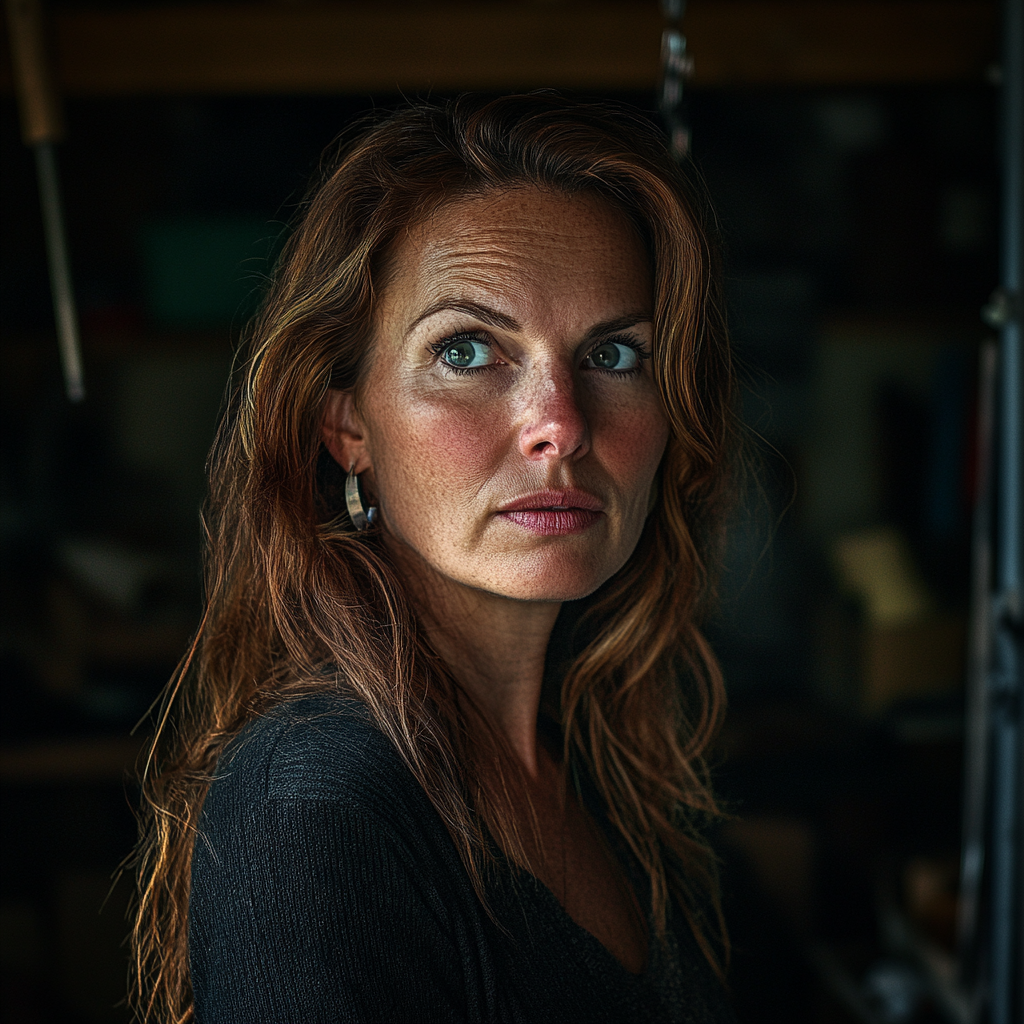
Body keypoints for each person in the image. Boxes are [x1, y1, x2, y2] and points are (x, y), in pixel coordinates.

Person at [131, 92, 737, 1023]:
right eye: (467, 350)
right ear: (346, 427)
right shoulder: (319, 813)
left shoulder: (601, 763)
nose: (561, 425)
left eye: (615, 354)